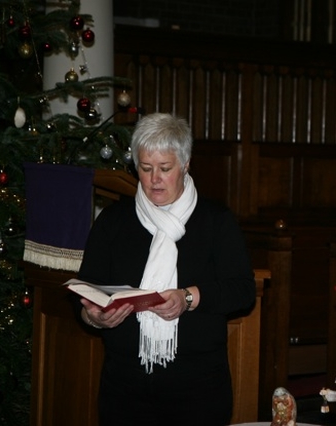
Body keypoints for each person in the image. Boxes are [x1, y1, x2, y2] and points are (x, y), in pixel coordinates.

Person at [75, 113, 256, 425]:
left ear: (185, 165)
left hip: (198, 388)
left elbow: (243, 290)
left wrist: (189, 298)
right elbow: (85, 292)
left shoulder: (215, 220)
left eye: (165, 168)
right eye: (145, 168)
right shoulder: (114, 221)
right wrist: (95, 317)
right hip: (124, 386)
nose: (154, 178)